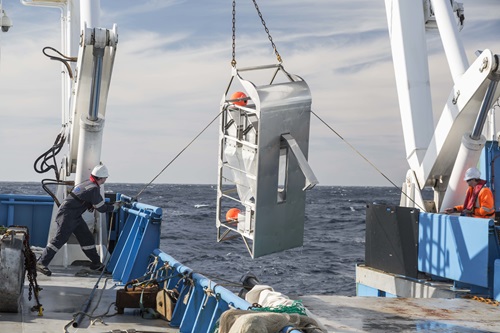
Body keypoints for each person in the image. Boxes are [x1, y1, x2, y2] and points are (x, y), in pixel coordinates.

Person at [36, 163, 123, 276]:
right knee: (60, 239)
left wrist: (91, 205)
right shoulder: (93, 189)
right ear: (101, 178)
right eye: (105, 177)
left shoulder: (87, 183)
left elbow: (83, 199)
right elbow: (101, 208)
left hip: (74, 215)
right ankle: (41, 262)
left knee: (86, 238)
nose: (106, 179)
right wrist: (115, 207)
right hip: (68, 216)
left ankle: (96, 263)